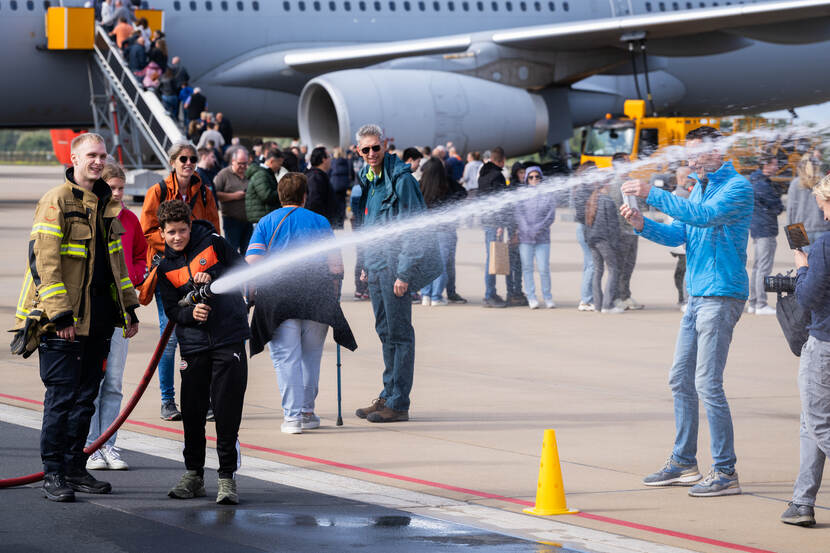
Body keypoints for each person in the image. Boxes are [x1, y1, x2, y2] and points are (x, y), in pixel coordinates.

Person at [621, 126, 753, 497]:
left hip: (722, 294)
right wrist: (642, 224)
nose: (691, 161)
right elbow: (678, 234)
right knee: (680, 378)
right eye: (689, 155)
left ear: (717, 151)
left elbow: (704, 217)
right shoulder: (698, 187)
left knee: (708, 382)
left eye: (697, 153)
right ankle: (684, 461)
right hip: (696, 295)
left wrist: (653, 194)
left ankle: (725, 471)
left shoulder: (736, 188)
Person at [12, 133, 139, 501]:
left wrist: (127, 309)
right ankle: (53, 473)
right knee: (62, 399)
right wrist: (61, 315)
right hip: (62, 323)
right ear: (75, 158)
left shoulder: (106, 205)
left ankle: (74, 468)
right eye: (91, 155)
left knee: (86, 400)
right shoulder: (56, 201)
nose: (98, 161)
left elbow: (117, 265)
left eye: (102, 155)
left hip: (98, 321)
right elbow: (45, 264)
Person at [246, 173, 357, 434]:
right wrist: (334, 294)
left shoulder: (266, 222)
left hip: (278, 299)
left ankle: (292, 417)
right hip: (317, 297)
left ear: (280, 196)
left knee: (286, 359)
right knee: (311, 357)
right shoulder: (319, 221)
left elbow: (253, 263)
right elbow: (336, 266)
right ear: (305, 196)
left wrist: (250, 294)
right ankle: (308, 412)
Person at [155, 200, 249, 505]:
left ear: (190, 226)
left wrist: (214, 276)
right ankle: (193, 475)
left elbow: (242, 272)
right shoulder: (165, 267)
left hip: (227, 339)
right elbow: (171, 309)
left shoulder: (214, 244)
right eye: (171, 232)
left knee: (226, 411)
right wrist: (189, 314)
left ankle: (226, 478)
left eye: (182, 230)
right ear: (162, 232)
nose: (178, 237)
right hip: (193, 346)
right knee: (192, 413)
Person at [353, 124, 441, 423]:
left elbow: (415, 231)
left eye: (376, 147)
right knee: (385, 333)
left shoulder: (402, 181)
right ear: (359, 152)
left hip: (394, 270)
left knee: (400, 336)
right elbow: (369, 227)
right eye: (365, 149)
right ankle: (388, 393)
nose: (371, 154)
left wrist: (404, 274)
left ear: (385, 145)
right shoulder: (369, 181)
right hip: (376, 269)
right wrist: (364, 263)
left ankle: (399, 403)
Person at [140, 142, 220, 421]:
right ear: (173, 161)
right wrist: (175, 248)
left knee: (201, 336)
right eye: (182, 158)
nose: (188, 163)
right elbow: (147, 230)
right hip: (169, 270)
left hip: (199, 273)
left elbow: (214, 232)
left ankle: (201, 399)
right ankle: (167, 400)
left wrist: (210, 263)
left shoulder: (205, 193)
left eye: (192, 159)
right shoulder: (158, 191)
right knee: (170, 337)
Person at [85, 163, 146, 472]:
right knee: (92, 382)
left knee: (114, 383)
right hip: (95, 313)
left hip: (120, 312)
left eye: (122, 188)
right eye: (113, 188)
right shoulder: (95, 219)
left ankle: (109, 444)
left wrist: (134, 276)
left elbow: (140, 255)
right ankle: (91, 445)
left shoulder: (131, 220)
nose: (119, 194)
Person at [782, 174, 830, 527]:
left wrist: (802, 269)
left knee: (819, 422)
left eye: (824, 206)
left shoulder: (825, 245)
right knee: (809, 422)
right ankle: (802, 501)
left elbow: (809, 297)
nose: (824, 215)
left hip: (825, 343)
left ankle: (802, 502)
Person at [515, 166, 556, 309]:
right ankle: (531, 297)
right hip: (525, 238)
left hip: (543, 238)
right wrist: (527, 229)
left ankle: (547, 296)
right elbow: (518, 214)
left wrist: (538, 228)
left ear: (541, 178)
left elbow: (551, 215)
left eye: (537, 177)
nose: (534, 180)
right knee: (527, 268)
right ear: (526, 178)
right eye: (531, 177)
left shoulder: (548, 194)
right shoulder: (521, 193)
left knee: (544, 268)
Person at [748, 153, 783, 315]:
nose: (777, 167)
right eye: (774, 164)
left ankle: (754, 302)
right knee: (763, 268)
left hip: (758, 228)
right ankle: (760, 303)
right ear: (766, 165)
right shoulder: (762, 184)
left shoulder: (755, 181)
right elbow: (777, 207)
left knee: (757, 267)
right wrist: (778, 202)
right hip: (765, 229)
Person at [609, 153, 644, 311]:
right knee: (620, 266)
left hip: (633, 231)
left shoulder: (630, 182)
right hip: (621, 232)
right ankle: (616, 297)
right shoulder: (615, 184)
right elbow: (615, 210)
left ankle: (626, 295)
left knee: (629, 265)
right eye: (627, 162)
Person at [585, 178, 622, 314]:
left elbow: (587, 224)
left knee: (598, 271)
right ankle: (608, 304)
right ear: (606, 183)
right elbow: (612, 225)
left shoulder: (591, 199)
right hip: (604, 241)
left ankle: (598, 305)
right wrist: (615, 244)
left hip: (592, 240)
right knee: (613, 270)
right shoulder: (607, 200)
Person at [478, 147, 509, 308]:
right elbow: (500, 202)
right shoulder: (497, 176)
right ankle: (489, 295)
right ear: (501, 160)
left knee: (491, 257)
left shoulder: (483, 175)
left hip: (486, 221)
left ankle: (491, 292)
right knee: (492, 259)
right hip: (494, 222)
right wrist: (500, 224)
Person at [418, 158, 451, 306]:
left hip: (424, 231)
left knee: (426, 263)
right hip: (442, 230)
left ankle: (425, 295)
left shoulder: (420, 187)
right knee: (441, 264)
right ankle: (436, 296)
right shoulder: (445, 187)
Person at [789, 150, 830, 251]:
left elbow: (791, 211)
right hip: (823, 229)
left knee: (804, 263)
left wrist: (794, 242)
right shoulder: (823, 182)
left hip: (800, 229)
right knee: (822, 265)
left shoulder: (795, 184)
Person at [214, 148, 253, 255]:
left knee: (248, 251)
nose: (243, 166)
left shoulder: (249, 173)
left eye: (245, 164)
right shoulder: (223, 174)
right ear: (233, 161)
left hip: (248, 220)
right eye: (240, 164)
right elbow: (215, 194)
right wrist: (234, 196)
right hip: (231, 220)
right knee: (232, 251)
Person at [573, 162, 597, 311]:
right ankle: (586, 300)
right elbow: (583, 214)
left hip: (584, 229)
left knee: (589, 264)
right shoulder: (584, 190)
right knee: (592, 264)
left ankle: (588, 297)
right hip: (585, 229)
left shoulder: (585, 188)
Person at [670, 166, 694, 310]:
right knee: (686, 270)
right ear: (682, 178)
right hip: (682, 239)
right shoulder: (683, 194)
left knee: (681, 270)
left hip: (677, 239)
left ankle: (682, 298)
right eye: (690, 177)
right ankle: (684, 299)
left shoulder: (678, 192)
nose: (692, 180)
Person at [246, 149, 285, 224]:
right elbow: (266, 196)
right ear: (271, 161)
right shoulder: (261, 174)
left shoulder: (266, 173)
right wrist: (283, 192)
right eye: (279, 164)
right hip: (261, 219)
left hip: (264, 218)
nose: (280, 167)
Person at [305, 146, 337, 226]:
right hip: (318, 227)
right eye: (329, 157)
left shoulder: (319, 175)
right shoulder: (315, 177)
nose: (331, 160)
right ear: (324, 159)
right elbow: (314, 203)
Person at [329, 148, 352, 229]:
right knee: (343, 202)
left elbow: (329, 172)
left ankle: (336, 222)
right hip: (343, 185)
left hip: (334, 184)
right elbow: (350, 172)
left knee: (335, 203)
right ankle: (341, 222)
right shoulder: (346, 161)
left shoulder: (332, 162)